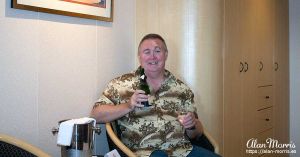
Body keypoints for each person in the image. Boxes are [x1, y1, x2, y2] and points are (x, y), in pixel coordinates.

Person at [91, 34, 219, 157]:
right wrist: (128, 105)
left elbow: (197, 134)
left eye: (157, 51)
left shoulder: (181, 89)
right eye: (147, 52)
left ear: (166, 55)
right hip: (143, 153)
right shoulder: (120, 84)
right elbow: (96, 115)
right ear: (139, 56)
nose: (152, 57)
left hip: (182, 151)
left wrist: (192, 125)